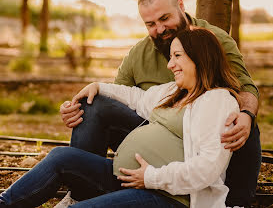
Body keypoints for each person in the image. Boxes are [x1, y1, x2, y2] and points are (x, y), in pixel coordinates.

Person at [60, 0, 261, 207]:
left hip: (202, 136)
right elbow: (116, 100)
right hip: (155, 130)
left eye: (165, 18)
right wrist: (78, 107)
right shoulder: (138, 54)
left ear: (181, 6)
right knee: (94, 104)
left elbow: (246, 88)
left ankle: (236, 201)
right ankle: (81, 191)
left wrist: (245, 114)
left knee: (245, 124)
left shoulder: (214, 39)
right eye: (151, 24)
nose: (160, 29)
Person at [0, 28, 241, 208]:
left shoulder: (217, 100)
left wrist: (151, 177)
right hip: (128, 179)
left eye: (177, 56)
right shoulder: (174, 91)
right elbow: (135, 97)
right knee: (60, 157)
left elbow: (207, 169)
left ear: (200, 57)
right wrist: (98, 86)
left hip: (170, 197)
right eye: (170, 57)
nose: (170, 65)